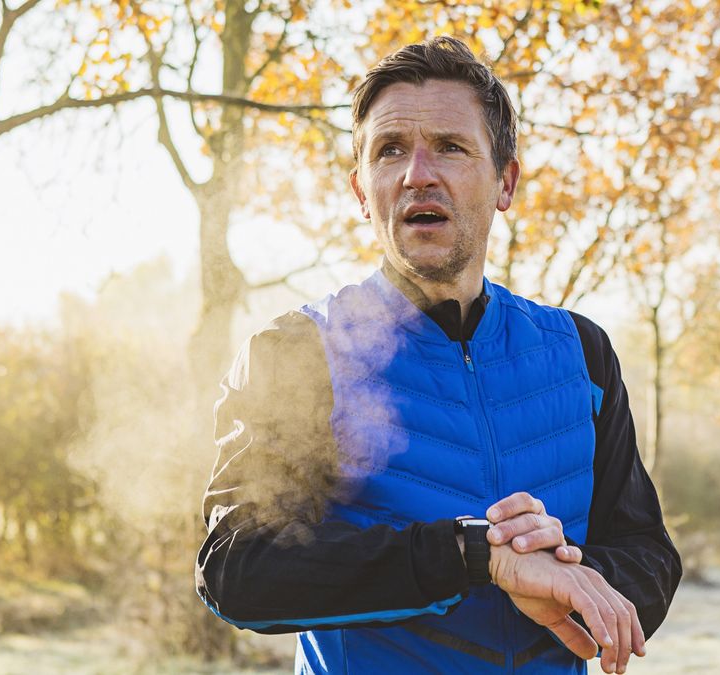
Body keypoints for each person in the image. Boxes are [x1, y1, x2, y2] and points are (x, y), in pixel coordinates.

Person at [195, 36, 681, 675]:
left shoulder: (581, 353)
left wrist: (567, 575)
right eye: (390, 151)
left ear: (505, 181)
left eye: (450, 147)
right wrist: (473, 555)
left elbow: (648, 555)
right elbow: (238, 570)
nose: (417, 173)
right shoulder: (294, 355)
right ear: (363, 191)